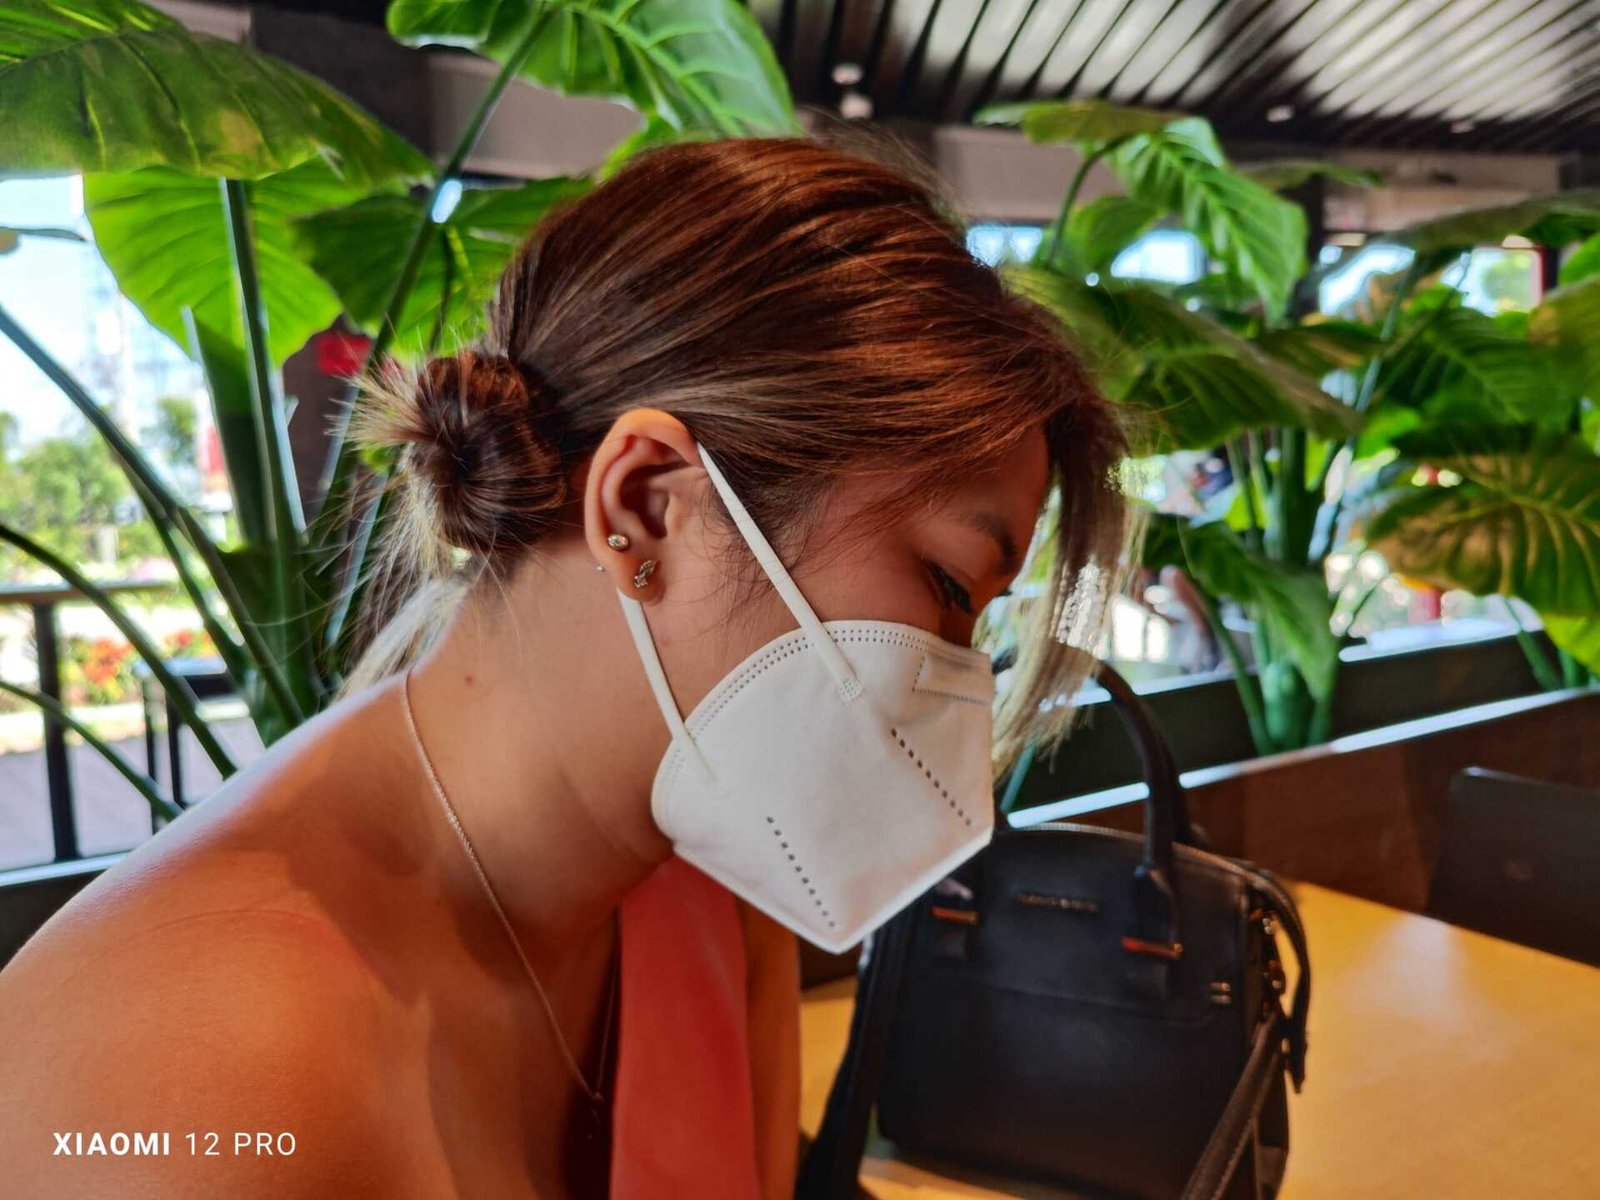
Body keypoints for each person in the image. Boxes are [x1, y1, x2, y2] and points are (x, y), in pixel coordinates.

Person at [0, 135, 1129, 1197]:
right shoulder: (196, 1070)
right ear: (645, 506)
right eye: (945, 584)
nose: (956, 678)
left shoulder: (710, 875)